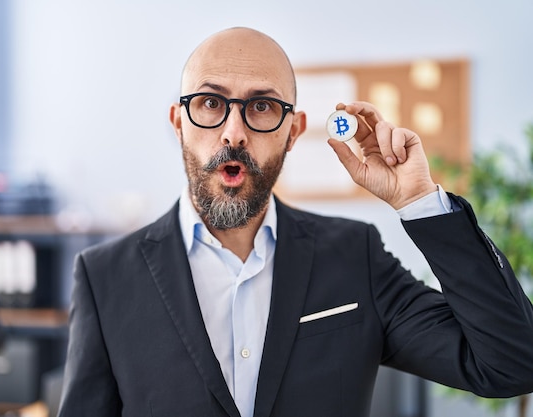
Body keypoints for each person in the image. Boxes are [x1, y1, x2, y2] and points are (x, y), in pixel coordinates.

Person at [57, 27, 533, 417]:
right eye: (209, 103)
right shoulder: (104, 277)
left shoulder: (355, 255)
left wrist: (419, 200)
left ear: (293, 132)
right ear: (178, 122)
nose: (234, 132)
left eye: (262, 106)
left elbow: (511, 364)